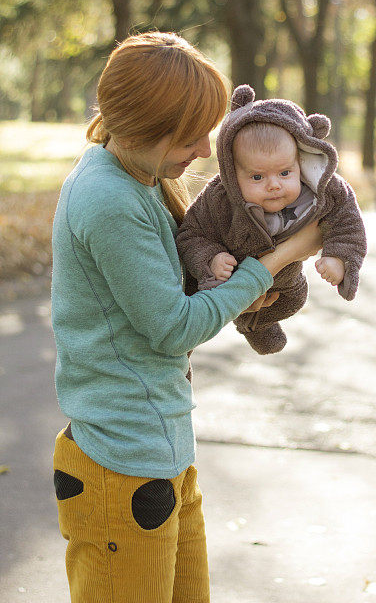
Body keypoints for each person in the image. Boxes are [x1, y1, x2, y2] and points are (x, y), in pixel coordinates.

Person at [50, 32, 322, 603]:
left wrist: (242, 284)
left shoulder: (137, 179)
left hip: (161, 449)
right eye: (191, 133)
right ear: (145, 126)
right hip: (118, 463)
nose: (205, 150)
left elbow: (160, 296)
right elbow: (173, 326)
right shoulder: (108, 199)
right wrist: (276, 261)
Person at [176, 83, 367, 355]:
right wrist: (211, 258)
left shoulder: (321, 191)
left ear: (300, 161)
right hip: (233, 279)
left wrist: (340, 257)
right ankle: (249, 322)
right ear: (232, 172)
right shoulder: (219, 199)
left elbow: (347, 219)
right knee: (215, 302)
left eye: (285, 173)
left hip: (286, 283)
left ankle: (257, 325)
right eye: (257, 177)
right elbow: (190, 234)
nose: (274, 185)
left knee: (294, 299)